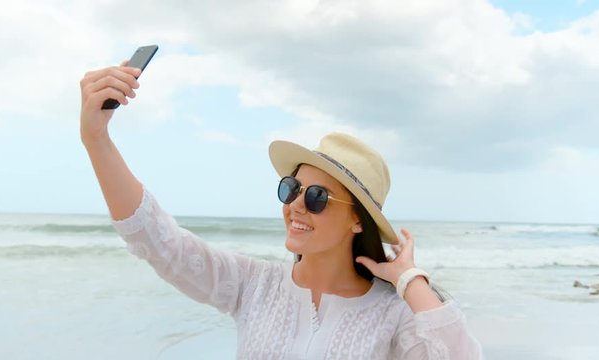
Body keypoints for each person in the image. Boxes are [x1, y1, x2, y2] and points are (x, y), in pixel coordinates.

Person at [80, 64, 482, 359]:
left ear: (358, 218)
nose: (295, 206)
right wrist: (96, 139)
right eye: (291, 189)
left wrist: (409, 281)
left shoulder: (393, 314)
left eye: (318, 197)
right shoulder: (252, 286)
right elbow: (156, 240)